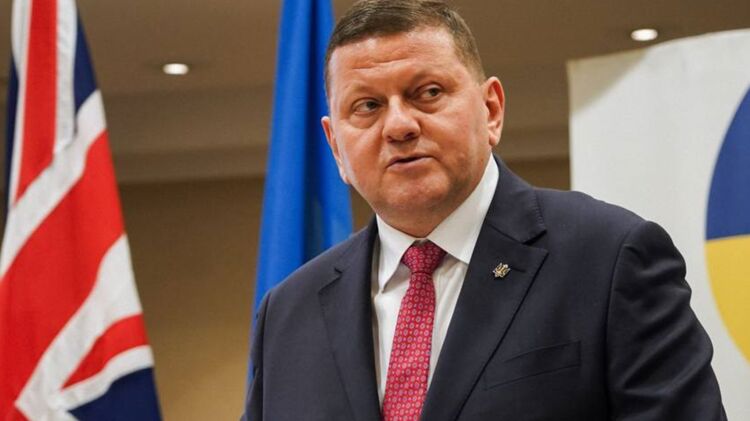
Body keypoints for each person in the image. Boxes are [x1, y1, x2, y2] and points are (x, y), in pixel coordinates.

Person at [243, 1, 726, 419]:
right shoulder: (287, 313)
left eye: (428, 93)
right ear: (334, 146)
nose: (399, 126)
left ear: (491, 110)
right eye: (367, 106)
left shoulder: (610, 257)